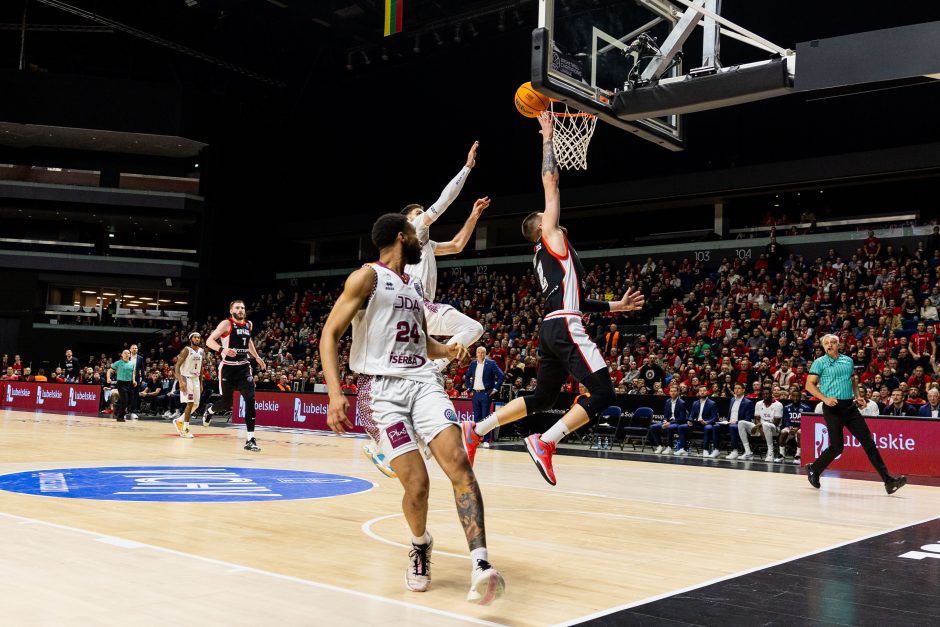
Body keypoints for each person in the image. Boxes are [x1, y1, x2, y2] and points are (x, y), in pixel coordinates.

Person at [320, 213, 504, 604]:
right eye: (416, 233)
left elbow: (422, 342)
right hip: (382, 391)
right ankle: (420, 544)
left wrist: (448, 348)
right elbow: (329, 333)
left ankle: (481, 564)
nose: (423, 239)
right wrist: (336, 395)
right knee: (417, 485)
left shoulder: (415, 286)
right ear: (402, 237)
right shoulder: (366, 277)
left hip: (423, 383)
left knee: (458, 461)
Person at [461, 113, 645, 485]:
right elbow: (551, 180)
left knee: (544, 396)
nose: (552, 213)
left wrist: (616, 307)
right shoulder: (552, 238)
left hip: (552, 324)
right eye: (546, 215)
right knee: (604, 391)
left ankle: (476, 431)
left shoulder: (547, 256)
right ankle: (545, 441)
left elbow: (575, 299)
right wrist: (548, 137)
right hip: (562, 323)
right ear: (541, 227)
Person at [402, 141, 488, 373]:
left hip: (418, 310)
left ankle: (429, 369)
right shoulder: (415, 230)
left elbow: (457, 246)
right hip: (418, 306)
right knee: (473, 328)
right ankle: (432, 369)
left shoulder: (424, 244)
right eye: (418, 213)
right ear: (409, 222)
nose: (422, 215)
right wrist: (467, 167)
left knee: (474, 329)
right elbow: (443, 202)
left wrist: (473, 216)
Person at [804, 334, 907, 494]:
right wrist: (824, 399)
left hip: (850, 407)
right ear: (823, 347)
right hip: (832, 408)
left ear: (838, 345)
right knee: (837, 448)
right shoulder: (819, 362)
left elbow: (853, 380)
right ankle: (814, 469)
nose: (830, 345)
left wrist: (858, 396)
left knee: (869, 443)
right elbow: (809, 385)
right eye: (826, 343)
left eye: (833, 342)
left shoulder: (848, 361)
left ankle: (888, 481)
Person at [205, 300, 267, 452]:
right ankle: (210, 410)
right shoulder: (226, 324)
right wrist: (222, 350)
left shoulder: (249, 324)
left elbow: (249, 342)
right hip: (227, 368)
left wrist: (257, 357)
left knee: (250, 400)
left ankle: (250, 439)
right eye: (237, 308)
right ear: (231, 310)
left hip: (244, 368)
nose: (241, 310)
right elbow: (209, 341)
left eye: (243, 308)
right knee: (226, 403)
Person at [464, 346, 505, 452]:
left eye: (483, 352)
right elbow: (467, 377)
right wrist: (469, 388)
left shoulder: (491, 363)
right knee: (477, 418)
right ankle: (477, 440)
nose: (481, 354)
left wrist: (495, 389)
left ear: (485, 354)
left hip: (486, 394)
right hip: (475, 394)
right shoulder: (473, 364)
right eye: (479, 352)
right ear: (476, 354)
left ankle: (486, 440)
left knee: (485, 417)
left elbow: (501, 376)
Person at [172, 331, 204, 438]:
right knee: (190, 403)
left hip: (196, 379)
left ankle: (179, 421)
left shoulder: (201, 351)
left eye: (199, 338)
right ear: (191, 339)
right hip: (186, 378)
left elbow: (201, 368)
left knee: (196, 404)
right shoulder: (186, 350)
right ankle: (185, 429)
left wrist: (201, 383)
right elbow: (177, 366)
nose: (197, 339)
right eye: (195, 338)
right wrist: (180, 381)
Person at [724, 382, 754, 459]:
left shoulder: (748, 402)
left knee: (733, 427)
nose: (736, 390)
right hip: (729, 422)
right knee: (715, 426)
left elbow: (747, 419)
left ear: (743, 390)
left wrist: (736, 422)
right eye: (735, 388)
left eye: (739, 388)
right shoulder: (732, 399)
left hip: (740, 425)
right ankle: (715, 449)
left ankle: (735, 451)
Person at [106, 349, 136, 422]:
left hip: (129, 383)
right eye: (125, 353)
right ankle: (120, 417)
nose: (126, 354)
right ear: (122, 355)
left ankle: (116, 406)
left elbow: (133, 373)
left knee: (130, 401)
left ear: (130, 355)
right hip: (121, 383)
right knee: (124, 400)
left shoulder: (132, 364)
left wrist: (134, 380)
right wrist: (108, 378)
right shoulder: (118, 363)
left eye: (128, 353)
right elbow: (109, 370)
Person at [690, 385, 720, 457]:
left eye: (704, 391)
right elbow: (691, 415)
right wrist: (690, 420)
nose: (702, 392)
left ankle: (705, 449)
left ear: (707, 392)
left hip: (707, 423)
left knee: (707, 428)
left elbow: (715, 418)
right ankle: (683, 448)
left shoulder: (712, 403)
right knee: (682, 427)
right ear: (698, 393)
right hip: (697, 423)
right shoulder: (695, 403)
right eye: (700, 391)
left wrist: (706, 422)